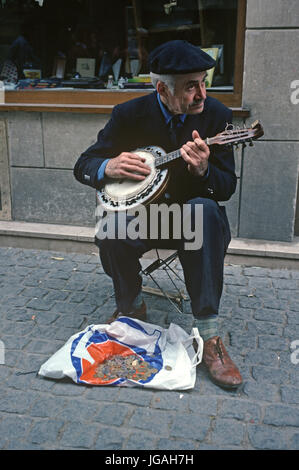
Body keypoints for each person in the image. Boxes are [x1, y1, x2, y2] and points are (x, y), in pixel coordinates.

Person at [73, 40, 243, 390]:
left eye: (204, 81)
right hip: (145, 219)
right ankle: (132, 308)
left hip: (195, 223)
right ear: (162, 89)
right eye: (191, 86)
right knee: (111, 225)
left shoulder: (218, 117)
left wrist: (204, 172)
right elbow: (83, 164)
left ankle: (210, 338)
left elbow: (227, 187)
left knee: (204, 208)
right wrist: (109, 164)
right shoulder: (129, 114)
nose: (202, 93)